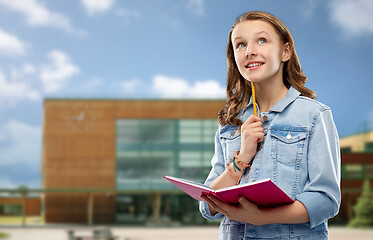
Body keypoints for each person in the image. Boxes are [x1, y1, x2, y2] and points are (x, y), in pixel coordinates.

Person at [199, 11, 340, 239]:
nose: (249, 51)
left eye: (261, 40)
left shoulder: (314, 115)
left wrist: (262, 217)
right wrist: (242, 157)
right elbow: (208, 206)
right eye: (240, 45)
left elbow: (326, 200)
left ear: (285, 51)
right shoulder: (229, 122)